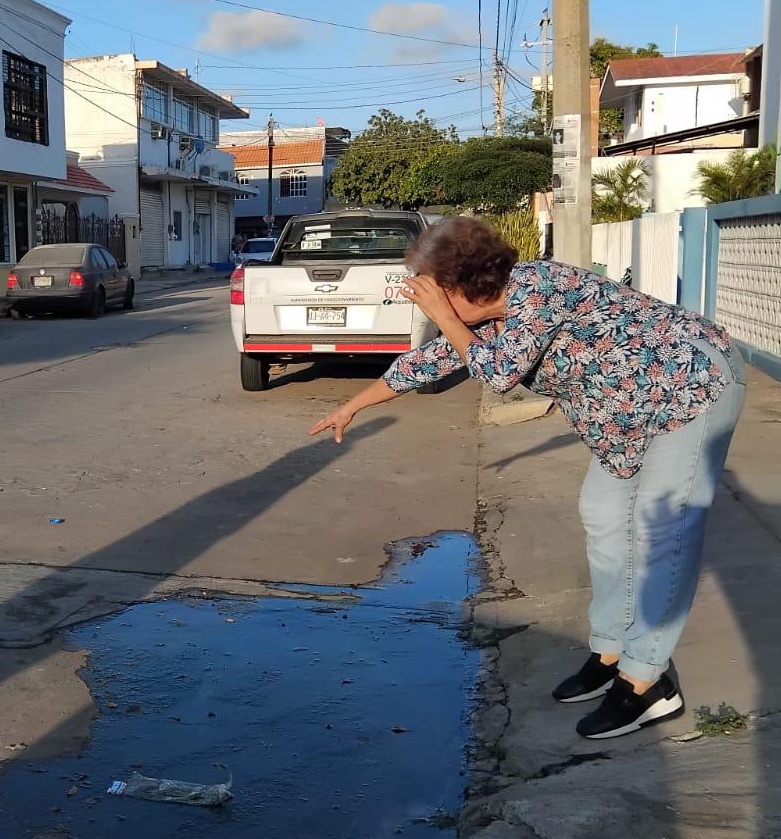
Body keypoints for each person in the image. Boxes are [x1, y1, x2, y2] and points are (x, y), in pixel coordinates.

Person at [310, 216, 747, 740]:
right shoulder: (489, 320)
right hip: (626, 416)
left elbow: (497, 374)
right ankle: (612, 651)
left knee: (664, 534)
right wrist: (352, 407)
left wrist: (443, 317)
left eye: (434, 292)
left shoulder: (539, 288)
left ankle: (648, 679)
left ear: (463, 285)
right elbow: (428, 362)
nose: (427, 303)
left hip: (691, 387)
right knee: (604, 517)